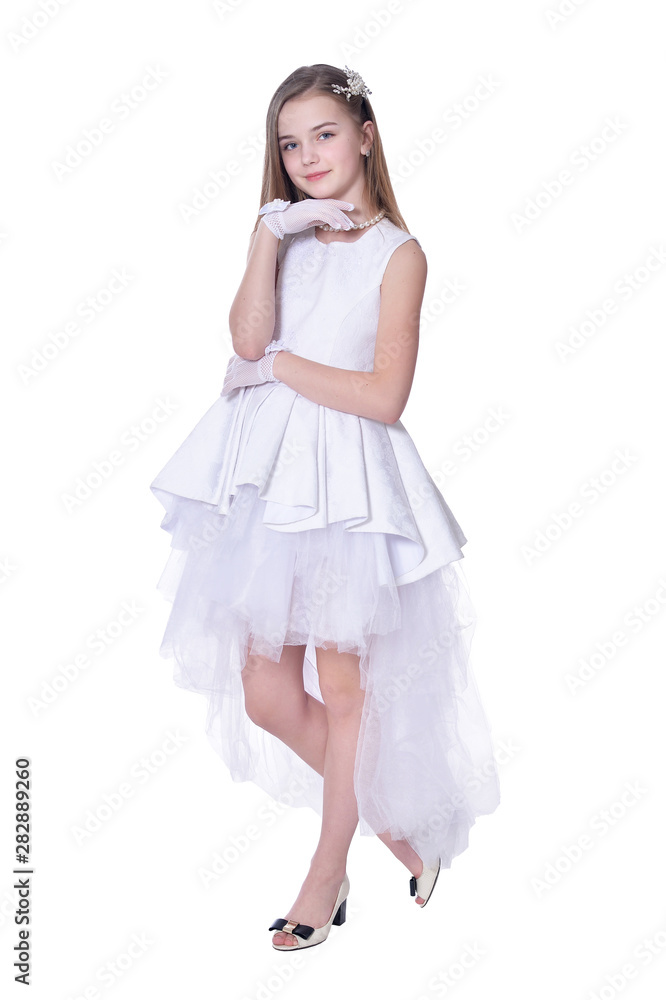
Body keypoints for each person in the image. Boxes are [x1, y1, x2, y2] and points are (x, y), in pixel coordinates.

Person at [150, 63, 500, 952]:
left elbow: (386, 397)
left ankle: (325, 869)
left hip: (347, 482)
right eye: (289, 143)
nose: (307, 156)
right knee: (267, 692)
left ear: (366, 135)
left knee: (345, 689)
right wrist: (270, 232)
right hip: (269, 480)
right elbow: (243, 336)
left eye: (324, 135)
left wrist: (276, 372)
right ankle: (395, 832)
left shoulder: (400, 255)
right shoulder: (289, 235)